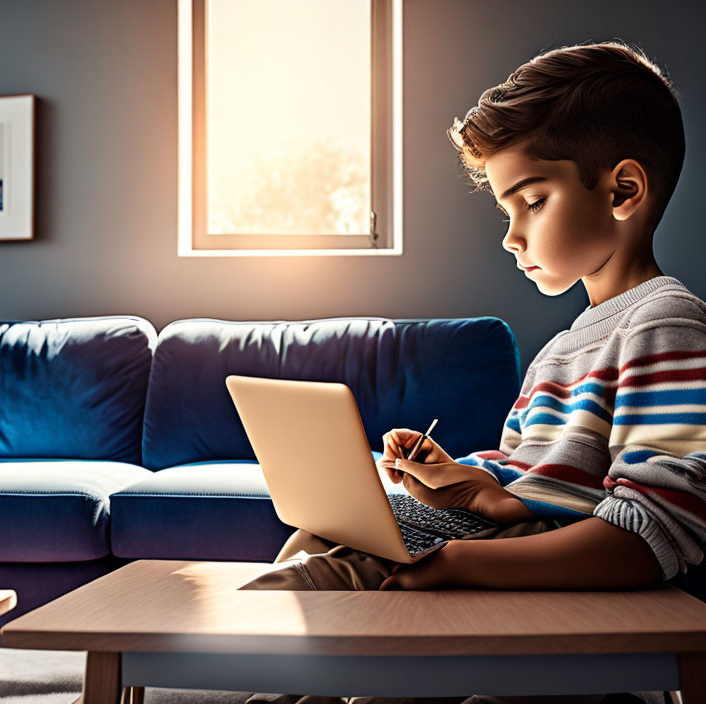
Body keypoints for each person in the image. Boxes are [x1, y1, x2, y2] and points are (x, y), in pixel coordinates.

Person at [245, 39, 703, 704]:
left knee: (345, 575)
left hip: (566, 572)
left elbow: (654, 528)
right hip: (513, 537)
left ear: (622, 191)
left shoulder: (666, 322)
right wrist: (466, 479)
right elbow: (535, 480)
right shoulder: (561, 349)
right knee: (324, 538)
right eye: (506, 210)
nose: (511, 236)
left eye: (533, 201)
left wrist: (463, 561)